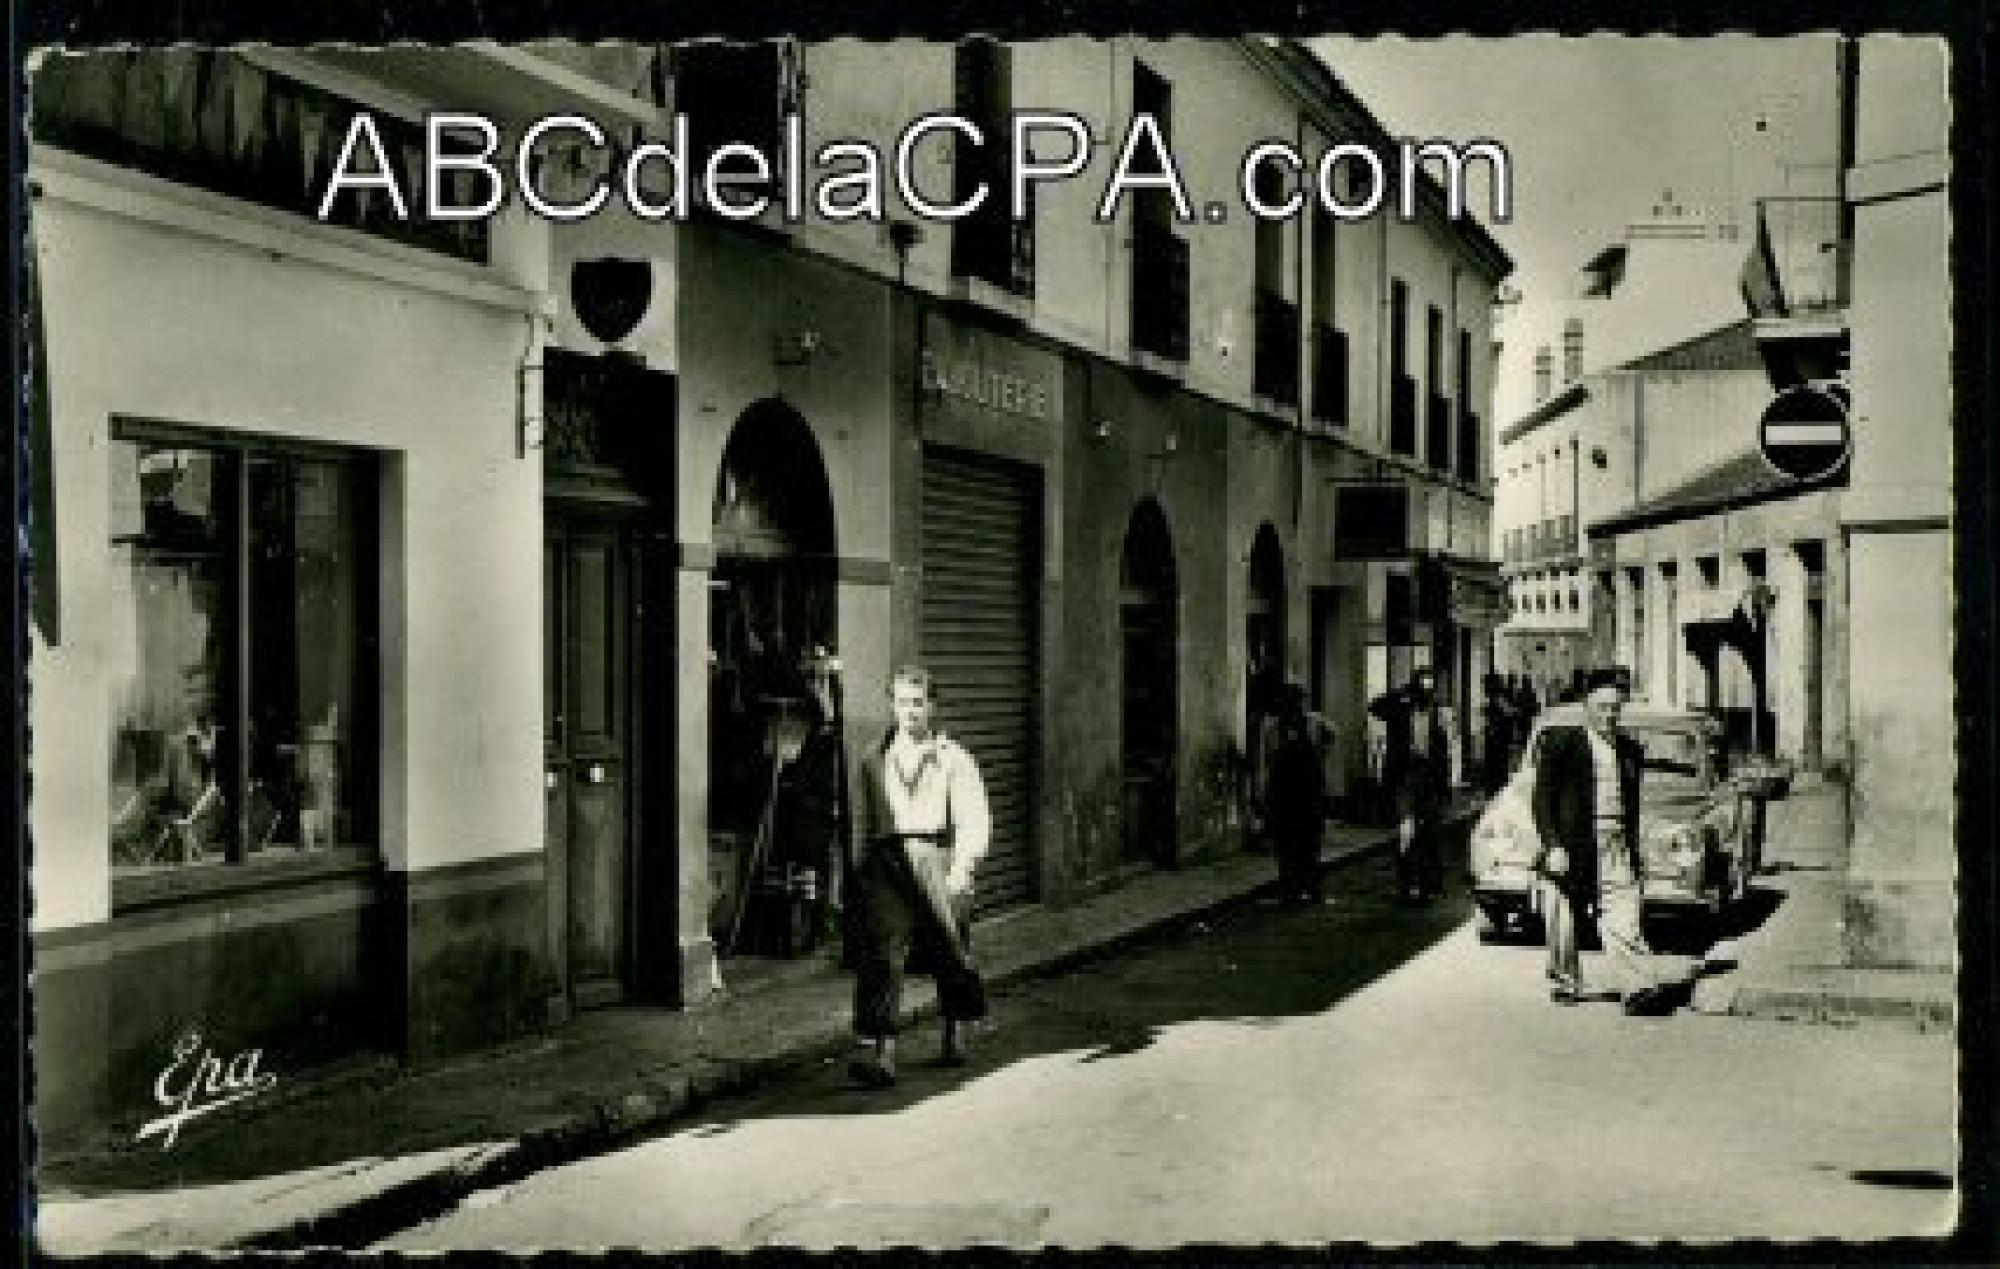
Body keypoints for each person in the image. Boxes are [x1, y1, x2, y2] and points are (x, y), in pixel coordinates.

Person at [846, 665, 991, 1087]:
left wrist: (964, 867)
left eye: (918, 702)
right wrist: (857, 871)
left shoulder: (953, 759)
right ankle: (883, 1053)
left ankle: (954, 1031)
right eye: (901, 702)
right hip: (886, 861)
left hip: (936, 856)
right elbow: (861, 818)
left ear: (932, 706)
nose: (909, 711)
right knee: (883, 954)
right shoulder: (873, 759)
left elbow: (973, 817)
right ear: (891, 706)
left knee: (949, 946)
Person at [1529, 668, 1682, 1016]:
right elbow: (1542, 799)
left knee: (1624, 913)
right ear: (1587, 707)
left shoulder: (1628, 750)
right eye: (1601, 707)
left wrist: (1634, 851)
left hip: (1613, 843)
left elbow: (1632, 806)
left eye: (1615, 708)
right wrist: (1552, 845)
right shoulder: (1563, 743)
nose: (1608, 715)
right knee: (1561, 916)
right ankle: (1566, 979)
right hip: (1569, 846)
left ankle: (1638, 987)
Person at [1369, 667, 1458, 904]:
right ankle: (1406, 882)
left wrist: (1447, 784)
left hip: (1430, 777)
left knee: (1430, 831)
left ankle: (1429, 882)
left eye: (1430, 689)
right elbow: (1375, 706)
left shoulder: (1440, 714)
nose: (1426, 695)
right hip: (1405, 776)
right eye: (1422, 688)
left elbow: (1447, 752)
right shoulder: (1399, 709)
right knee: (1406, 831)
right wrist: (1401, 693)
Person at [1261, 683, 1330, 905]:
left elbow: (1332, 734)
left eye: (1298, 701)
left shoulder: (1313, 722)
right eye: (1291, 701)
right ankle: (1291, 889)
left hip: (1308, 791)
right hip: (1284, 792)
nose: (1295, 706)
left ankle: (1310, 888)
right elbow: (1268, 758)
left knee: (1310, 841)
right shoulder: (1274, 727)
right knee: (1287, 842)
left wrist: (1322, 755)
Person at [1480, 673, 1517, 795]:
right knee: (1498, 772)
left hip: (1497, 743)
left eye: (1485, 685)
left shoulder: (1498, 701)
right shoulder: (1498, 701)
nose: (1483, 689)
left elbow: (1509, 717)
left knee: (1497, 772)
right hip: (1498, 742)